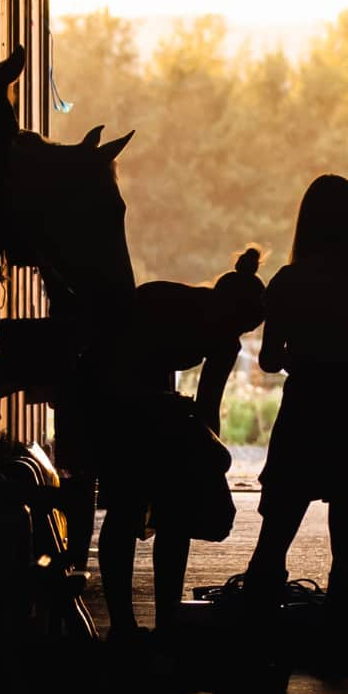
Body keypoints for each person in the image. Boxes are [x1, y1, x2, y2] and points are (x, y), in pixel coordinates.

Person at [242, 174, 348, 666]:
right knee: (347, 534)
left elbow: (270, 360)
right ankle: (343, 650)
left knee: (276, 533)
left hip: (306, 410)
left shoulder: (289, 283)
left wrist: (310, 361)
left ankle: (256, 646)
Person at [95, 247, 266, 640]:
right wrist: (205, 456)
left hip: (141, 405)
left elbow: (208, 407)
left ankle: (153, 624)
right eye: (235, 325)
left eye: (241, 331)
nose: (233, 335)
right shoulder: (163, 300)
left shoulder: (214, 330)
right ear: (221, 305)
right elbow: (121, 362)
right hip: (117, 400)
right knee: (133, 511)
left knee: (158, 513)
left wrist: (207, 460)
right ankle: (139, 625)